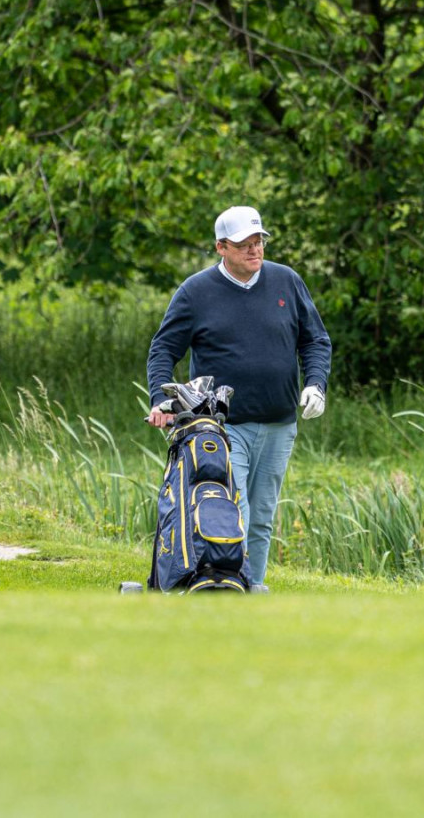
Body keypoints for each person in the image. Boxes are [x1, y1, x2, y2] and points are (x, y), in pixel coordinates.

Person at [146, 205, 332, 589]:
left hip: (280, 423)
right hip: (222, 426)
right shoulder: (196, 292)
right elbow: (163, 349)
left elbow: (315, 339)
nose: (255, 250)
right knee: (236, 513)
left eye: (259, 241)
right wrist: (160, 399)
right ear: (221, 248)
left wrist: (316, 383)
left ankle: (250, 593)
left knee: (261, 517)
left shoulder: (287, 281)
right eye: (244, 244)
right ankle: (229, 591)